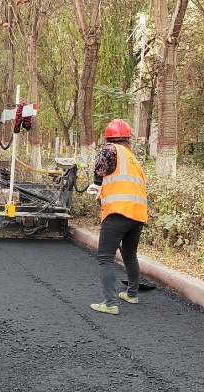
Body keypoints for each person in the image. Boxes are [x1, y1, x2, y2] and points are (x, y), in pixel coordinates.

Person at [87, 118, 148, 315]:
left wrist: (97, 184)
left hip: (117, 213)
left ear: (110, 138)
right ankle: (131, 294)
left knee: (105, 257)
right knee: (129, 255)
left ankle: (110, 303)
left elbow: (101, 162)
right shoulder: (133, 159)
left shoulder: (111, 149)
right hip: (137, 215)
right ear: (128, 138)